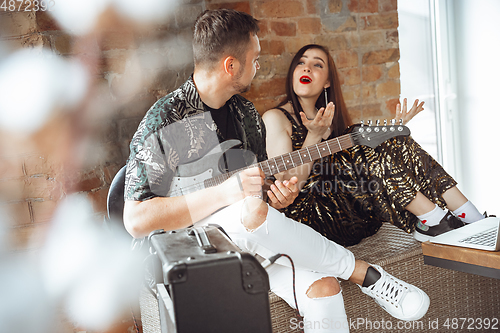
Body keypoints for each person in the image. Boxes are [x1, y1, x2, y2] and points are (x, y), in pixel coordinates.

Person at [123, 10, 429, 332]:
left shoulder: (245, 114)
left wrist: (277, 197)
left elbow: (258, 196)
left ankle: (360, 276)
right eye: (254, 59)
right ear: (231, 65)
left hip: (244, 240)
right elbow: (136, 221)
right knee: (249, 208)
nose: (259, 66)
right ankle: (366, 274)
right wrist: (228, 192)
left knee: (323, 288)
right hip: (187, 253)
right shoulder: (167, 119)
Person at [262, 44, 486, 247]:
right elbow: (284, 185)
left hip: (357, 213)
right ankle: (437, 222)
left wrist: (393, 139)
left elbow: (358, 173)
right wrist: (312, 137)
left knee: (379, 140)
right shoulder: (276, 117)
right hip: (313, 219)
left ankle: (472, 218)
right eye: (301, 62)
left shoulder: (332, 122)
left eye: (317, 64)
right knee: (356, 135)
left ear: (328, 81)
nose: (307, 68)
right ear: (292, 73)